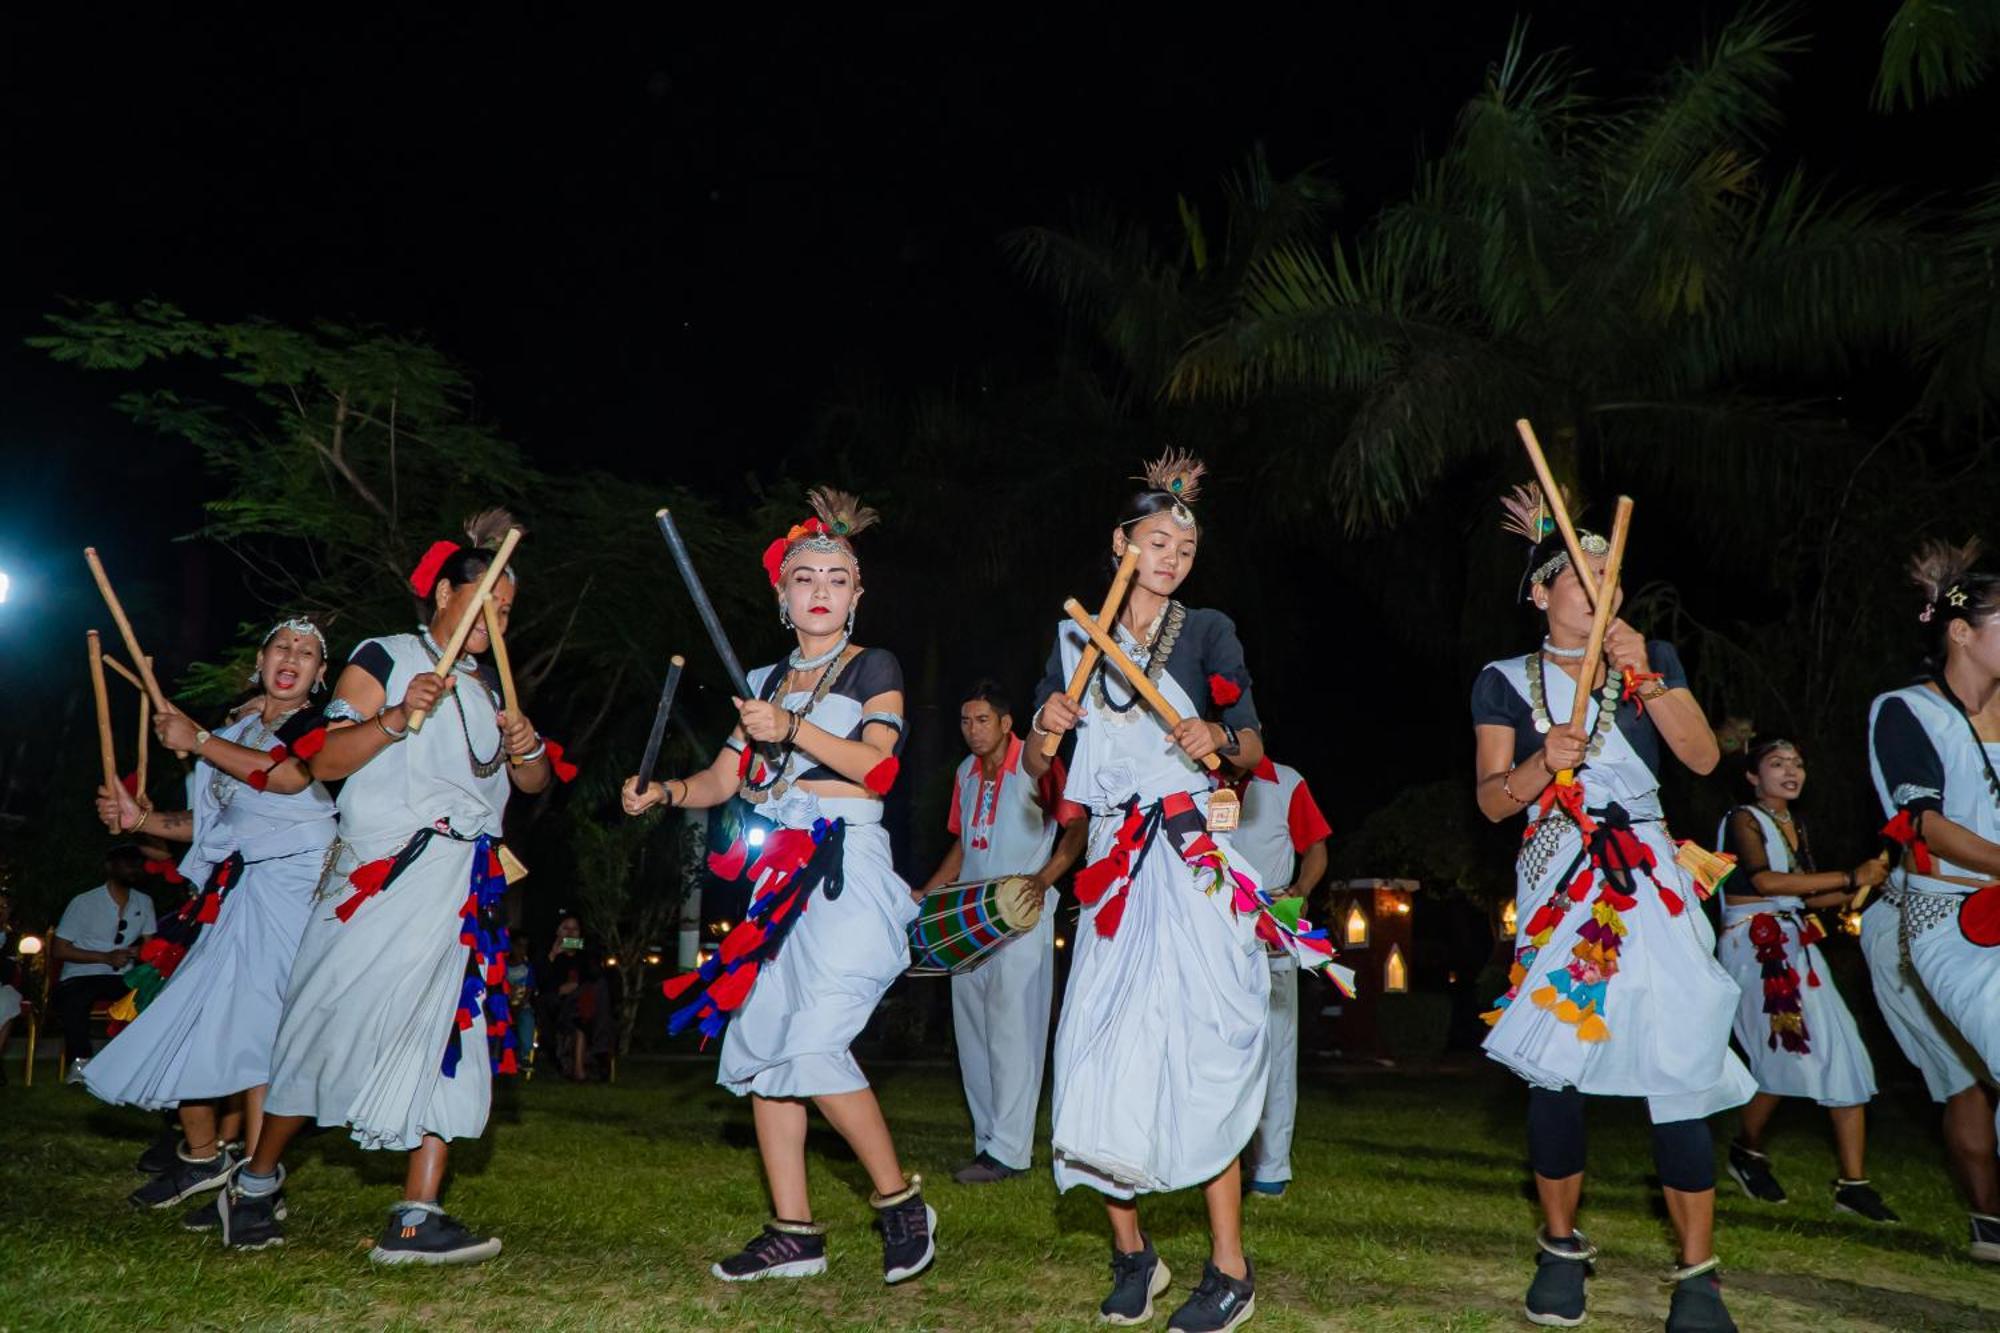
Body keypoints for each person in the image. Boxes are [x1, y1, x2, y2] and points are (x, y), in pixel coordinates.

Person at [1026, 452, 1347, 1333]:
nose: (1171, 555)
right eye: (1155, 539)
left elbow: (1250, 743)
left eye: (1185, 545)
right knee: (1094, 1049)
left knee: (1206, 1047)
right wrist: (1047, 731)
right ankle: (1133, 1254)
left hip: (1192, 854)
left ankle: (1230, 1269)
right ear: (1121, 543)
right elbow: (1037, 765)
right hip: (1115, 873)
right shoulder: (1075, 639)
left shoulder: (1208, 630)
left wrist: (1219, 732)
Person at [219, 512, 557, 1263]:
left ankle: (415, 1216)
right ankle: (257, 1180)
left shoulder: (490, 690)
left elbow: (531, 783)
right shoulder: (387, 655)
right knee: (322, 1028)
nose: (496, 618)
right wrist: (400, 715)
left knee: (451, 1037)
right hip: (378, 876)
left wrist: (527, 750)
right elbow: (324, 758)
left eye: (507, 610)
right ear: (444, 591)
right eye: (485, 601)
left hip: (463, 890)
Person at [622, 487, 935, 1286]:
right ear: (783, 594)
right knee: (762, 1047)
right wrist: (663, 792)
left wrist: (791, 729)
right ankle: (793, 1230)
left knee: (815, 1042)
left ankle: (899, 1202)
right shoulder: (760, 679)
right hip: (778, 885)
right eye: (806, 576)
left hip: (848, 873)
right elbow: (725, 778)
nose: (821, 588)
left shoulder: (875, 666)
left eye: (837, 576)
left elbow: (879, 766)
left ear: (857, 594)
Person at [1473, 484, 1752, 1332]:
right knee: (1556, 1068)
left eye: (1611, 577)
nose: (1601, 589)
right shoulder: (1504, 681)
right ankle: (1560, 1248)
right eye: (1582, 575)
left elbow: (1702, 757)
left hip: (1652, 879)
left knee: (1680, 1069)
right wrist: (1540, 767)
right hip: (1561, 879)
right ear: (1540, 592)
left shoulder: (1649, 657)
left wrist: (1642, 668)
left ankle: (1698, 1276)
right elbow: (1492, 800)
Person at [84, 617, 338, 1220]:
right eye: (283, 645)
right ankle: (220, 1165)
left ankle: (254, 1184)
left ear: (320, 676)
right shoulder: (238, 728)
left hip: (298, 893)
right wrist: (139, 821)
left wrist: (198, 740)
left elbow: (285, 777)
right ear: (262, 657)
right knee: (209, 1020)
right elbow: (216, 828)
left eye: (307, 653)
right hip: (242, 891)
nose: (292, 657)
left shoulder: (324, 729)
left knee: (267, 1038)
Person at [1867, 537, 2000, 1263]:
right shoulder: (1906, 711)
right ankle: (1989, 1218)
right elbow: (1926, 825)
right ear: (1960, 631)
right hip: (1947, 924)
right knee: (1966, 1085)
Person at [1711, 738, 1895, 1221]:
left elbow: (1809, 898)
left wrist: (1866, 884)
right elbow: (1765, 883)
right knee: (1777, 1049)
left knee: (1845, 1048)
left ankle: (1853, 1183)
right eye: (1777, 764)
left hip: (1796, 943)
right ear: (1753, 776)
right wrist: (1847, 876)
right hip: (1754, 946)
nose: (1791, 771)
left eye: (1797, 763)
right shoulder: (1742, 819)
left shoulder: (1795, 825)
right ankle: (1746, 1150)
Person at [917, 678, 1085, 1185]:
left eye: (983, 720)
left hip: (1021, 914)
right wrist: (924, 897)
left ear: (1008, 723)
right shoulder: (967, 773)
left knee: (1015, 1030)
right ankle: (986, 1142)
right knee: (973, 1032)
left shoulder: (1036, 766)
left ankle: (1009, 1152)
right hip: (967, 916)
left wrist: (1043, 878)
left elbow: (1077, 827)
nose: (973, 730)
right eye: (966, 721)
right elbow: (965, 845)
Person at [1225, 758, 1331, 1199]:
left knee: (1277, 1042)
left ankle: (1271, 1167)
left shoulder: (1286, 782)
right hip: (1215, 920)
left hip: (1272, 920)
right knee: (1222, 1043)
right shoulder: (1198, 778)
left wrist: (1301, 892)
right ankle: (1221, 1159)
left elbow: (1317, 848)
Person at [50, 845, 158, 1082]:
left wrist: (140, 951)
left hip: (123, 977)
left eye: (137, 864)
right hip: (81, 974)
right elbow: (59, 949)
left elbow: (151, 947)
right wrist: (105, 957)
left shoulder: (144, 902)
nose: (133, 869)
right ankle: (80, 1063)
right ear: (110, 867)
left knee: (157, 995)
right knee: (76, 997)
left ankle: (141, 1068)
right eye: (127, 863)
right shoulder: (84, 902)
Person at [537, 912, 612, 1082]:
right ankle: (595, 1056)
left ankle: (579, 1070)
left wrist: (578, 986)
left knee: (589, 996)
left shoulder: (586, 955)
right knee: (584, 1004)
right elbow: (541, 985)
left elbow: (596, 977)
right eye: (566, 928)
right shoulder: (547, 954)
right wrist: (553, 955)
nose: (570, 933)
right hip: (560, 1008)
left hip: (584, 1009)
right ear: (557, 931)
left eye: (575, 929)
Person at [0, 892, 24, 1084]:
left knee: (8, 1001)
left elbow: (9, 972)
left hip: (3, 986)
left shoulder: (12, 937)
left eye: (4, 907)